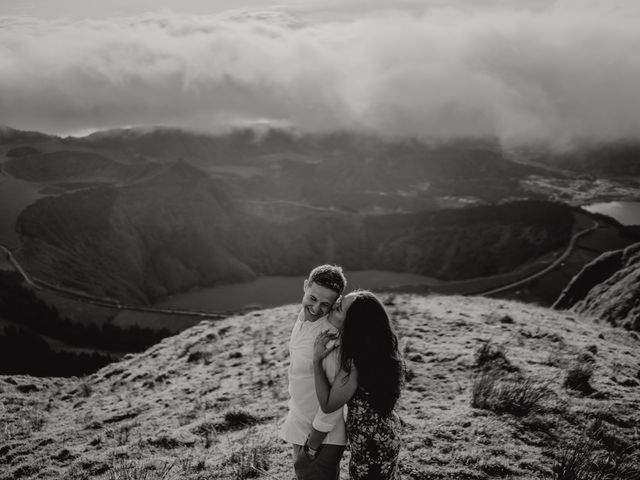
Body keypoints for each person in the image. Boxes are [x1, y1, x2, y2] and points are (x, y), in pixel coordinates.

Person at [313, 290, 404, 480]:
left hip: (371, 446)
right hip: (388, 433)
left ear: (354, 324)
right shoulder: (379, 351)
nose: (332, 308)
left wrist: (316, 361)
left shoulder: (353, 363)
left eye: (338, 308)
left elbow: (328, 405)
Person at [279, 264, 348, 480]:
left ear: (335, 303)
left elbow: (335, 401)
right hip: (301, 425)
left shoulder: (328, 338)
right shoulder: (302, 319)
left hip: (321, 438)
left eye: (325, 304)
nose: (316, 308)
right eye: (313, 298)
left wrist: (312, 446)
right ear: (305, 287)